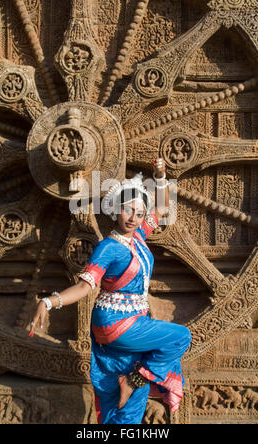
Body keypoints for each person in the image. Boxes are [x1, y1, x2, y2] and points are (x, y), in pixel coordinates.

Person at [29, 158, 192, 424]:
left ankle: (129, 387)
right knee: (180, 337)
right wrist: (48, 302)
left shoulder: (138, 237)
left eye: (139, 214)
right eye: (129, 211)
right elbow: (84, 286)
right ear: (116, 210)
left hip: (133, 322)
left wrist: (161, 176)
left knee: (124, 397)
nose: (134, 218)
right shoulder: (108, 247)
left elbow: (162, 206)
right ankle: (131, 381)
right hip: (116, 323)